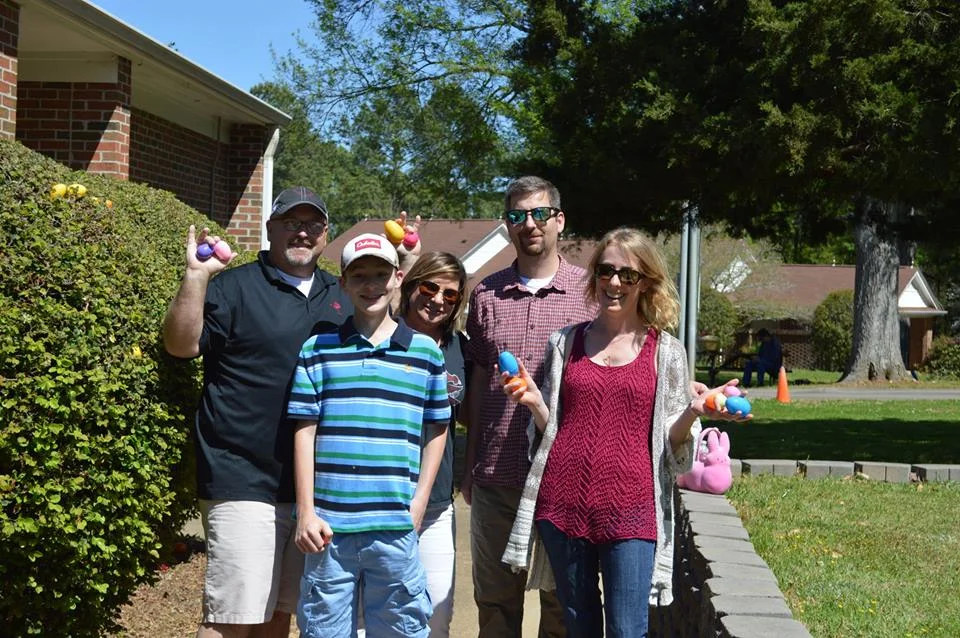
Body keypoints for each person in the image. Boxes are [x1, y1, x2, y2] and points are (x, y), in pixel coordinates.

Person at [162, 186, 418, 638]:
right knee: (233, 617)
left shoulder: (339, 291)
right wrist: (196, 277)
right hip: (242, 476)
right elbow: (181, 346)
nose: (302, 232)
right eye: (291, 223)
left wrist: (407, 264)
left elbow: (386, 323)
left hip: (314, 489)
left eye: (313, 224)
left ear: (326, 233)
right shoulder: (234, 286)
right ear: (270, 228)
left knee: (281, 615)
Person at [500, 227, 731, 637]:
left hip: (632, 511)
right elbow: (552, 430)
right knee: (579, 625)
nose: (615, 282)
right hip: (563, 505)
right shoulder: (565, 343)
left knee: (627, 630)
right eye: (606, 271)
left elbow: (672, 447)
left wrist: (692, 412)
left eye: (628, 274)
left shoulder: (666, 351)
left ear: (646, 283)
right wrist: (535, 403)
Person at [288, 234, 450, 638]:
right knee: (323, 631)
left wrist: (419, 502)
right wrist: (306, 511)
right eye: (359, 275)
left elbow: (437, 428)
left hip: (395, 527)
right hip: (328, 531)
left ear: (398, 278)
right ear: (343, 282)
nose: (371, 284)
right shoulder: (317, 350)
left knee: (401, 630)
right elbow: (304, 432)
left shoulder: (425, 352)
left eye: (380, 274)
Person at [463, 175, 596, 637]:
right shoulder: (486, 294)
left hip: (566, 475)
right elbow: (479, 382)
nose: (530, 224)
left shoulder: (589, 294)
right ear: (507, 225)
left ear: (559, 221)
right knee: (495, 602)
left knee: (563, 603)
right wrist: (469, 464)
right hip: (497, 475)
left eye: (540, 213)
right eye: (517, 216)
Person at [397, 251, 470, 637]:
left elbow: (469, 416)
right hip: (382, 498)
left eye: (450, 294)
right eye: (429, 287)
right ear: (412, 286)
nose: (438, 299)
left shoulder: (459, 347)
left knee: (435, 615)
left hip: (437, 502)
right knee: (372, 617)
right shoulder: (383, 335)